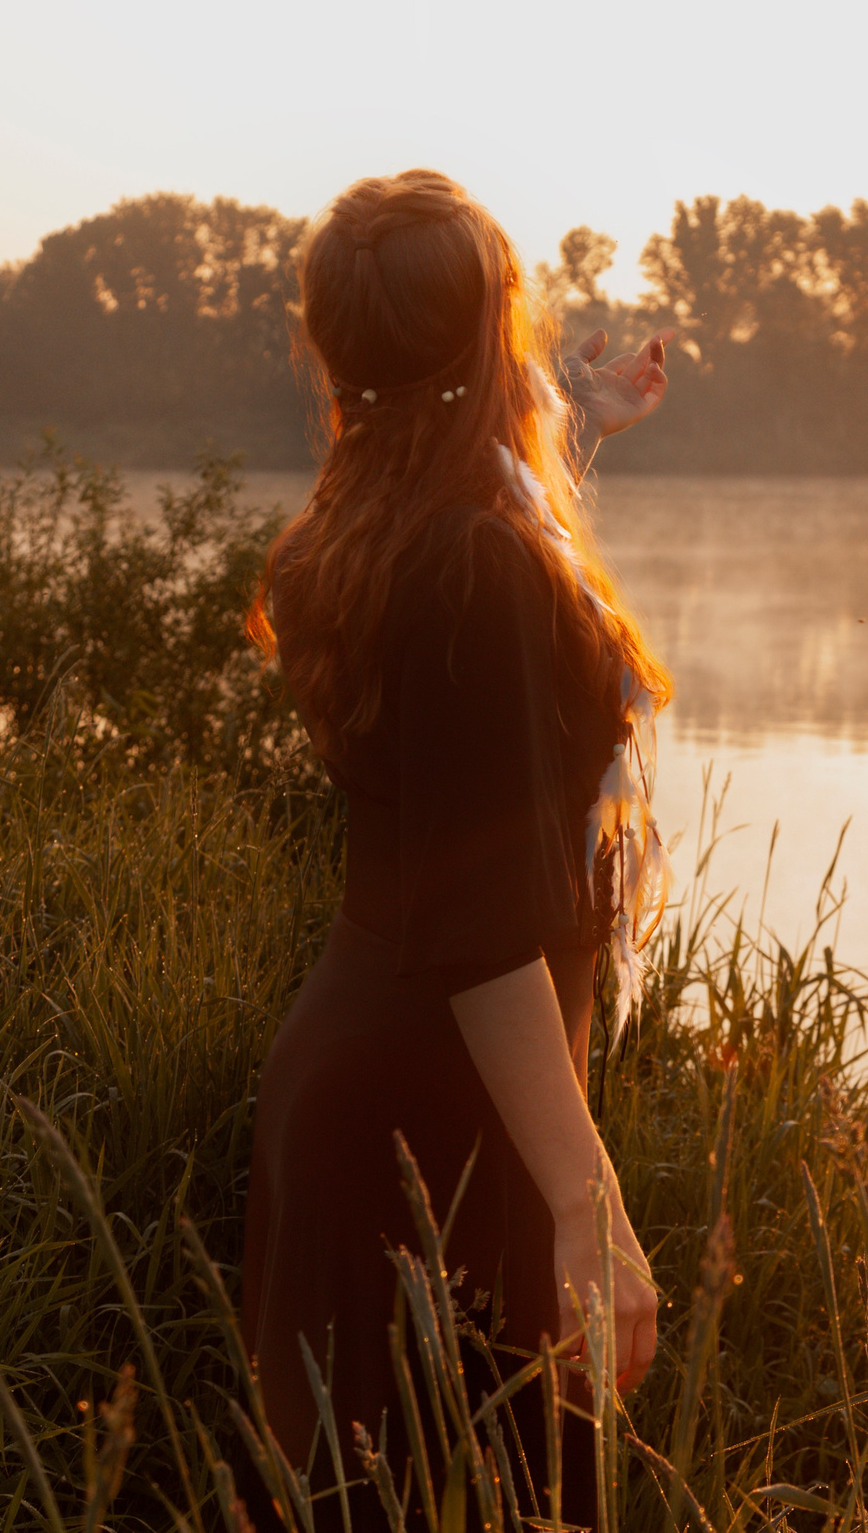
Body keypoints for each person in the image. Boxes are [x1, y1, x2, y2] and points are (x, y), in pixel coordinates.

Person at [238, 169, 678, 1525]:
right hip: (449, 1122)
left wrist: (578, 419)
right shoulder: (473, 569)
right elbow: (488, 939)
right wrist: (588, 1204)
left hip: (370, 1087)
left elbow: (474, 488)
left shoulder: (367, 522)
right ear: (495, 333)